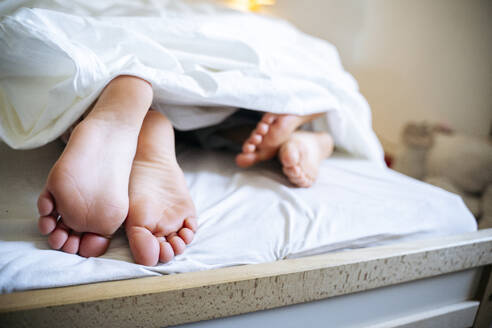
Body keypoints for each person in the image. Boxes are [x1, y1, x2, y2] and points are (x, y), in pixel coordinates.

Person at [37, 75, 335, 266]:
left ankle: (121, 116)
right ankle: (307, 129)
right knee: (248, 106)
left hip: (208, 113)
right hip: (237, 107)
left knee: (83, 76)